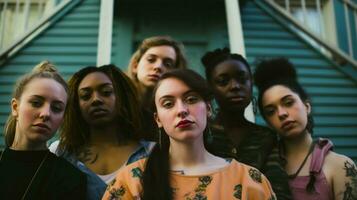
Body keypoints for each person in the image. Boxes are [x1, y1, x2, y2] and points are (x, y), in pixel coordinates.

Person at [102, 69, 276, 200]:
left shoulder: (249, 180)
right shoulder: (131, 180)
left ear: (208, 108)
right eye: (168, 104)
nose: (182, 110)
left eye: (191, 99)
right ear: (158, 119)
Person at [254, 58, 357, 200]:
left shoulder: (340, 166)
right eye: (271, 111)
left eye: (288, 102)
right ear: (268, 122)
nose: (281, 113)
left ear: (307, 106)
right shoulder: (261, 167)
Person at [49, 65, 154, 200]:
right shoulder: (59, 153)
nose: (96, 100)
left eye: (106, 92)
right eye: (85, 96)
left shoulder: (153, 153)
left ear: (122, 97)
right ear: (76, 104)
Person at [201, 48, 292, 199]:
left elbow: (279, 192)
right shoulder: (201, 135)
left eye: (242, 79)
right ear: (211, 88)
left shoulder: (266, 137)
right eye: (223, 81)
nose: (235, 86)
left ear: (251, 84)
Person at [0, 61, 86, 199]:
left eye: (57, 108)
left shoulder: (70, 179)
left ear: (63, 118)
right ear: (15, 107)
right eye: (36, 103)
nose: (46, 113)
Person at [127, 35, 187, 141]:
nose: (158, 67)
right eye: (151, 60)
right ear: (135, 66)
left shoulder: (179, 112)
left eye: (168, 64)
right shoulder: (118, 105)